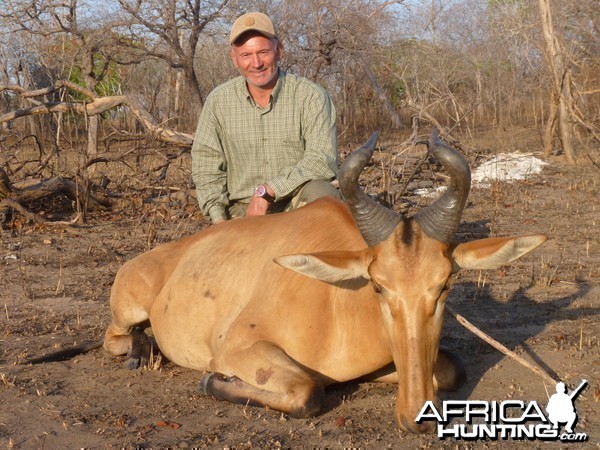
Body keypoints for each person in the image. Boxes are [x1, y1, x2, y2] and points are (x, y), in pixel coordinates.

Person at [191, 12, 340, 224]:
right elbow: (206, 167)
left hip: (294, 204)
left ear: (279, 51)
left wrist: (268, 190)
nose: (256, 63)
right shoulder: (218, 102)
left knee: (324, 194)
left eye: (263, 52)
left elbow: (322, 161)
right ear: (234, 59)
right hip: (241, 213)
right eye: (246, 55)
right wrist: (219, 222)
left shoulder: (311, 96)